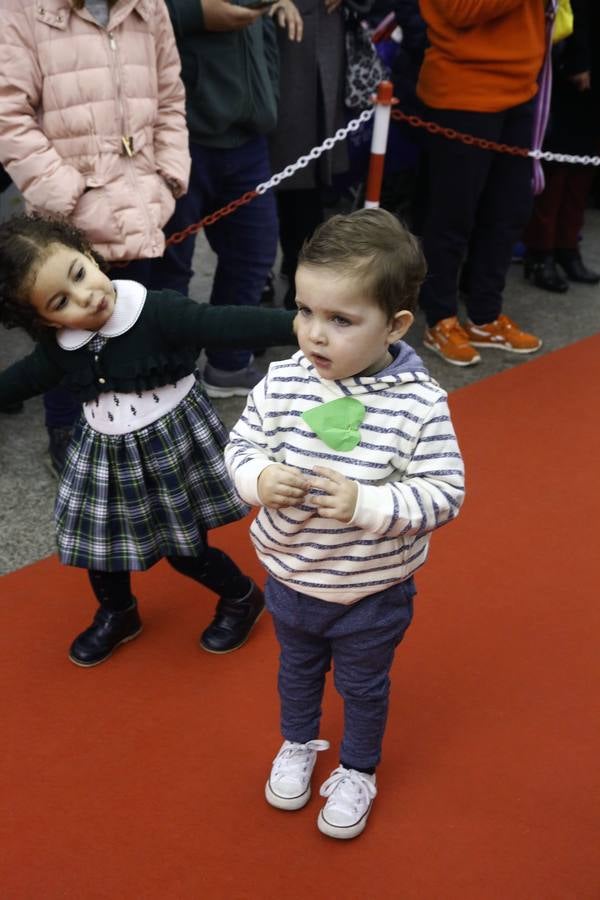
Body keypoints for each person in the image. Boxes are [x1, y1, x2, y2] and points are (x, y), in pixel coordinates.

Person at [225, 208, 465, 839]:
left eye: (340, 320)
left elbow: (445, 493)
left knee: (363, 687)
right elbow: (240, 447)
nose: (314, 334)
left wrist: (368, 504)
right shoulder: (280, 382)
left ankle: (359, 768)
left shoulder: (419, 404)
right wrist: (256, 479)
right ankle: (298, 742)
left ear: (395, 325)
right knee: (295, 671)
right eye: (304, 310)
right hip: (292, 575)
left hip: (371, 589)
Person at [0, 214, 296, 667]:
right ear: (41, 319)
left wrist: (299, 325)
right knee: (99, 547)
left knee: (185, 548)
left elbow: (225, 324)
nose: (85, 297)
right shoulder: (62, 345)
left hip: (169, 449)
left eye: (80, 273)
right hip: (103, 454)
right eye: (61, 301)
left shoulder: (155, 311)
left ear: (89, 254)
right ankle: (119, 613)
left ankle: (241, 596)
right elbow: (23, 379)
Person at [0, 0, 191, 473]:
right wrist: (72, 194)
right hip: (67, 217)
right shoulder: (19, 10)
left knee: (133, 320)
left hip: (145, 199)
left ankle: (140, 428)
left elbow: (170, 95)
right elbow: (9, 115)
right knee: (66, 336)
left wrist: (168, 175)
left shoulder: (149, 7)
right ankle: (66, 430)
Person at [152, 0, 302, 398]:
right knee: (170, 267)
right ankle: (170, 377)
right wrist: (197, 14)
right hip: (182, 132)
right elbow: (125, 14)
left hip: (248, 134)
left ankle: (229, 363)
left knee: (253, 256)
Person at [416, 0, 548, 367]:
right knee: (452, 216)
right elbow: (461, 10)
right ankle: (440, 318)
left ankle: (485, 316)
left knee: (507, 212)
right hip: (463, 90)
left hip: (521, 85)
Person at [523, 0, 600, 292]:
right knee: (557, 167)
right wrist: (579, 62)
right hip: (574, 69)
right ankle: (541, 252)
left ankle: (568, 247)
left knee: (584, 168)